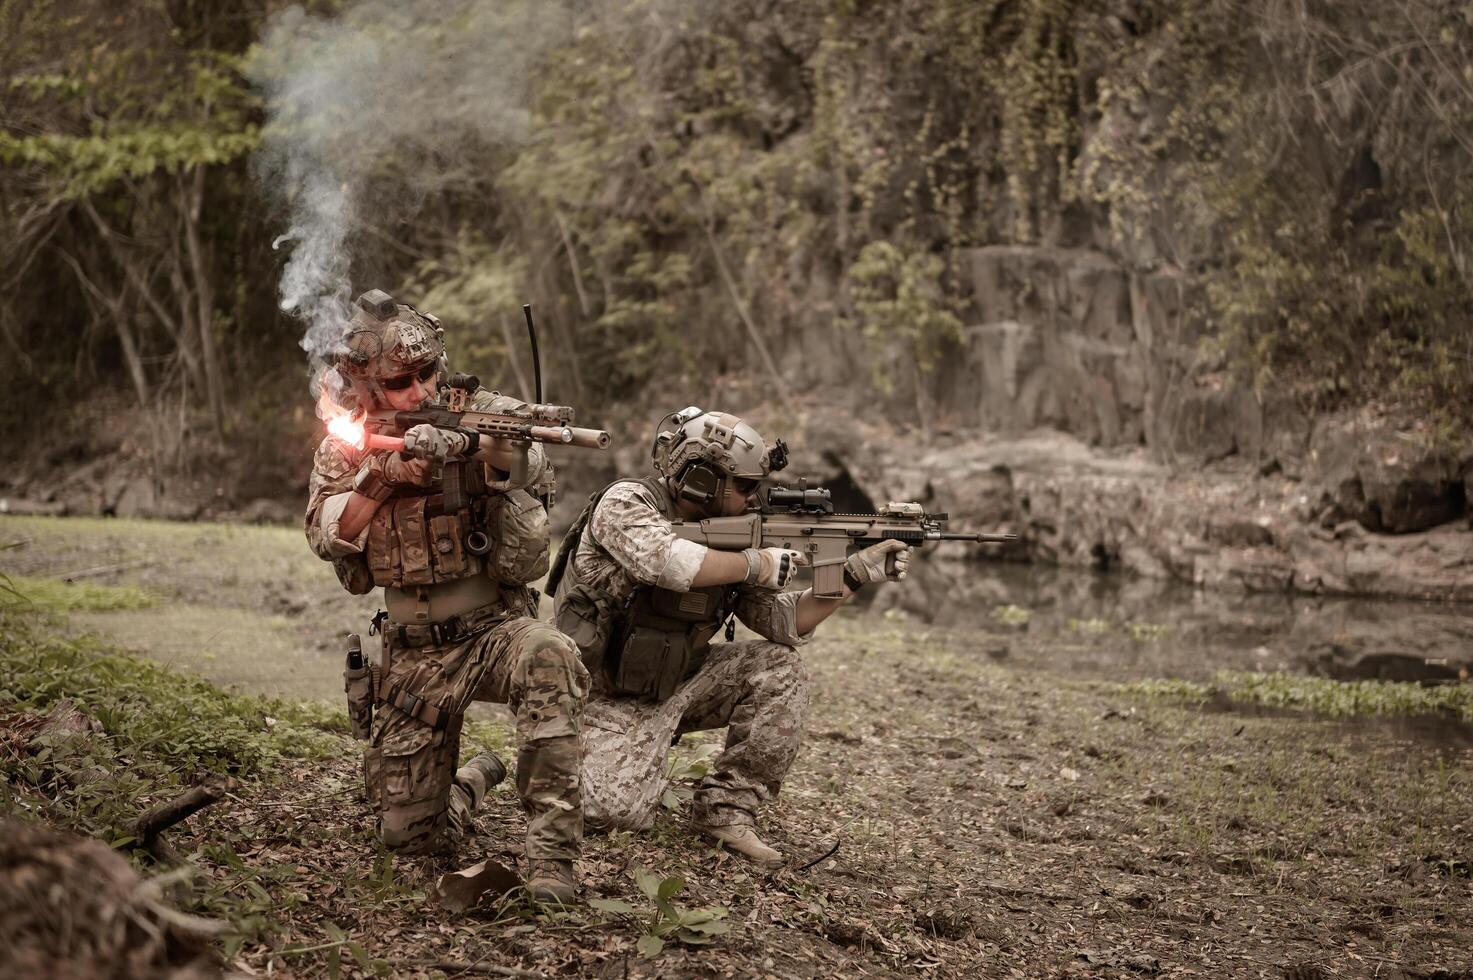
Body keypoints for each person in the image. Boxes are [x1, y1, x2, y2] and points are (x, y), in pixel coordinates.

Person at [304, 289, 588, 902]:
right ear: (367, 385)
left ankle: (552, 865)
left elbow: (532, 465)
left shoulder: (481, 411)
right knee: (408, 841)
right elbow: (331, 537)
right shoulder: (347, 437)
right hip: (412, 653)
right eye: (401, 382)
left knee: (551, 652)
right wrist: (383, 477)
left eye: (428, 373)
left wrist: (494, 457)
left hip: (495, 630)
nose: (420, 392)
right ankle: (470, 783)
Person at [550, 409, 910, 866]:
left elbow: (782, 621)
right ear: (702, 480)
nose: (752, 497)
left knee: (781, 667)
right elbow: (665, 561)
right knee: (607, 814)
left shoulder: (737, 536)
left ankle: (726, 810)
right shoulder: (627, 503)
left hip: (679, 681)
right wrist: (756, 562)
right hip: (599, 692)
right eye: (743, 486)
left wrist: (856, 573)